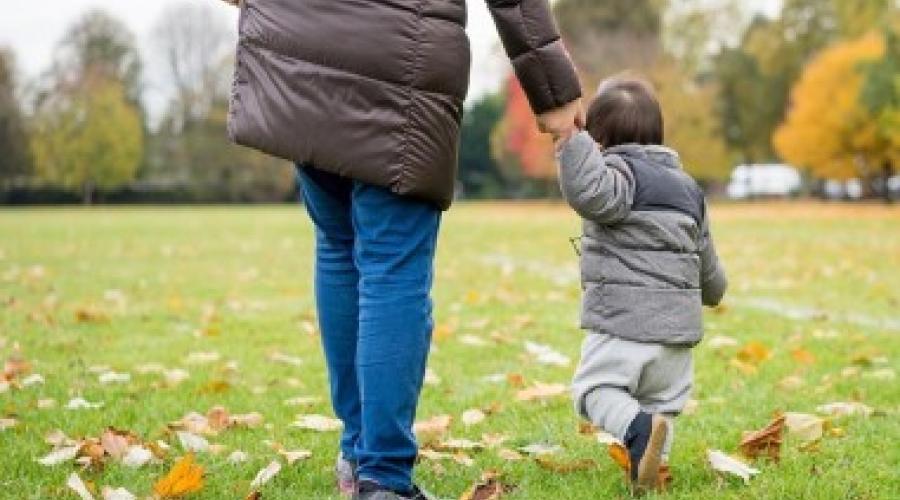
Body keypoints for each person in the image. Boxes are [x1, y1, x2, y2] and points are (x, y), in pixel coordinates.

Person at [223, 1, 584, 498]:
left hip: (298, 42)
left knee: (338, 247)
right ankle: (384, 476)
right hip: (399, 63)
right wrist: (554, 91)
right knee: (391, 264)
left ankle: (357, 455)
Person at [557, 76, 728, 495]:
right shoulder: (689, 190)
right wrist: (715, 291)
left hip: (624, 326)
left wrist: (570, 141)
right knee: (660, 408)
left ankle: (637, 432)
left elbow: (588, 192)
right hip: (677, 339)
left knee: (594, 391)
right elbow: (707, 262)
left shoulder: (618, 176)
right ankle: (652, 471)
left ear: (600, 139)